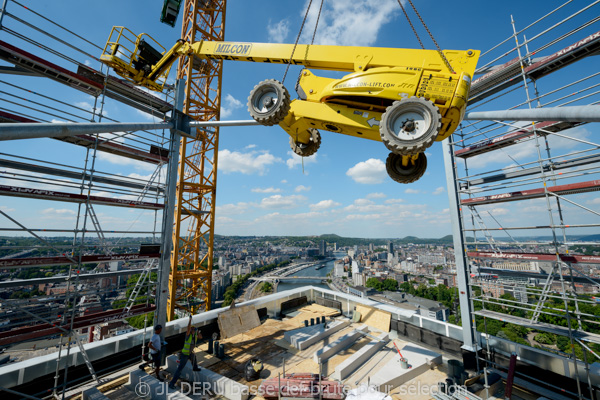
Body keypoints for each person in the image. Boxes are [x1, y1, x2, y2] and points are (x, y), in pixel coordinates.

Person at [169, 316, 202, 389]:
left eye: (193, 329)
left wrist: (198, 331)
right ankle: (172, 383)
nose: (192, 330)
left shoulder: (195, 335)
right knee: (180, 369)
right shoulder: (188, 335)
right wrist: (190, 320)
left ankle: (195, 367)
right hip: (185, 354)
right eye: (192, 329)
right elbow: (188, 327)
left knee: (193, 357)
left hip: (190, 353)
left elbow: (201, 337)